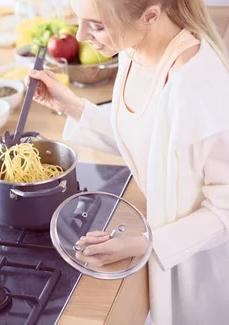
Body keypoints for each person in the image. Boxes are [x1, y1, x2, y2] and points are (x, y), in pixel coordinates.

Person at [25, 0, 229, 324]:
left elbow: (226, 207)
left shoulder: (197, 86)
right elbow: (152, 142)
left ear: (150, 15)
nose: (80, 36)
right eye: (80, 21)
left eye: (97, 25)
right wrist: (72, 107)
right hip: (163, 250)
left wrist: (144, 243)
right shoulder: (134, 50)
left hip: (199, 270)